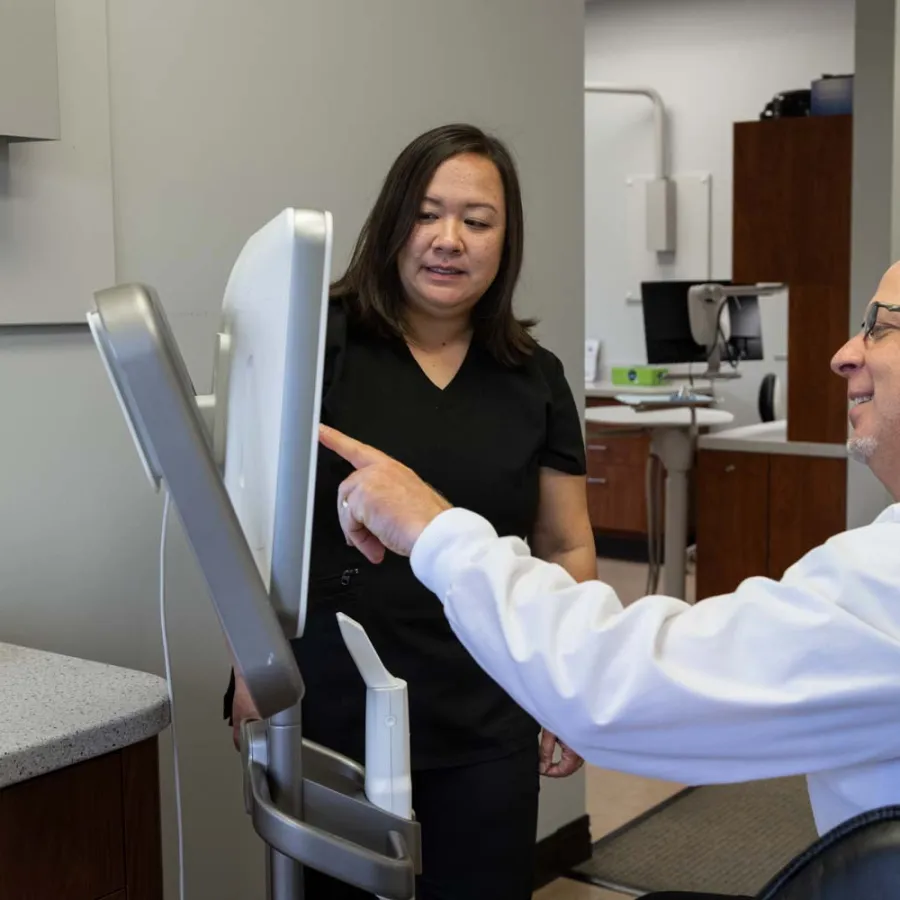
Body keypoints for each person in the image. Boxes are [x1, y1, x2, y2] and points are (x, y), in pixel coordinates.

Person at [317, 264, 900, 900]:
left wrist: (436, 530)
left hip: (485, 721)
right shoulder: (335, 356)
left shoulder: (884, 583)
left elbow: (615, 685)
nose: (845, 354)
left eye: (878, 328)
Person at [226, 123, 596, 900]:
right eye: (427, 213)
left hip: (484, 711)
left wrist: (568, 683)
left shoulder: (535, 379)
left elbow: (564, 546)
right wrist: (248, 661)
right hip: (331, 705)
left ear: (505, 240)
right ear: (394, 221)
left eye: (477, 220)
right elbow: (252, 516)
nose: (448, 239)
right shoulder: (318, 343)